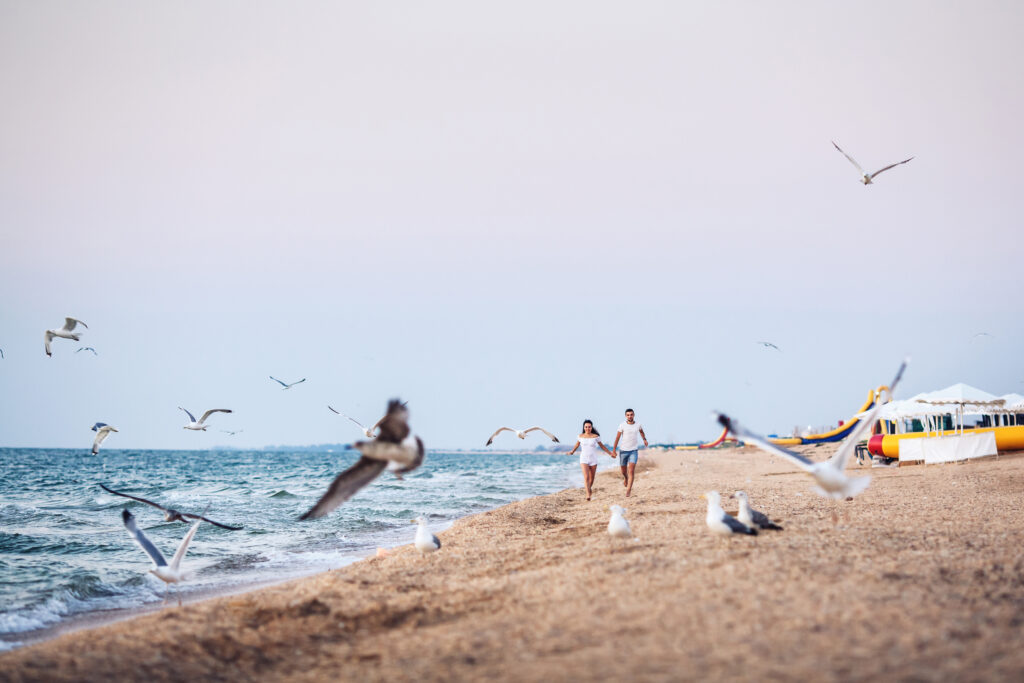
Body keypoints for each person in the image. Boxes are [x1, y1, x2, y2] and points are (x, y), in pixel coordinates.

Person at [566, 419, 615, 501]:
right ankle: (588, 494)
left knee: (592, 479)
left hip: (593, 459)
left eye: (589, 427)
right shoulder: (580, 436)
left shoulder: (595, 437)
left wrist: (610, 454)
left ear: (591, 427)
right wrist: (572, 451)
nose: (587, 428)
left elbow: (602, 446)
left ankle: (589, 489)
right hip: (583, 458)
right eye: (586, 427)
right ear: (584, 427)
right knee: (586, 477)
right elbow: (577, 445)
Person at [612, 408, 648, 497]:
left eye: (631, 414)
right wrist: (613, 451)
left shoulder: (638, 425)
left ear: (634, 415)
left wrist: (644, 439)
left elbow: (641, 432)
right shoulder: (622, 425)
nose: (629, 416)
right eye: (628, 415)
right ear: (625, 416)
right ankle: (626, 478)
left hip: (633, 451)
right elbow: (617, 438)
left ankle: (628, 490)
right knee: (623, 471)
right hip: (623, 451)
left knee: (631, 470)